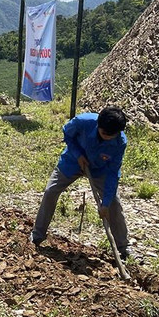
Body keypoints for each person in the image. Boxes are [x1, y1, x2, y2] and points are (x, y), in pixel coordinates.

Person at [31, 107, 130, 258]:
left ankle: (123, 248)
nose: (107, 138)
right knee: (50, 191)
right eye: (104, 134)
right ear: (98, 125)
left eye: (112, 135)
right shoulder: (83, 122)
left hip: (100, 170)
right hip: (72, 162)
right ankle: (37, 235)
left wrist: (106, 203)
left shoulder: (120, 143)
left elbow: (112, 173)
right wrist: (78, 154)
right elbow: (67, 133)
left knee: (114, 204)